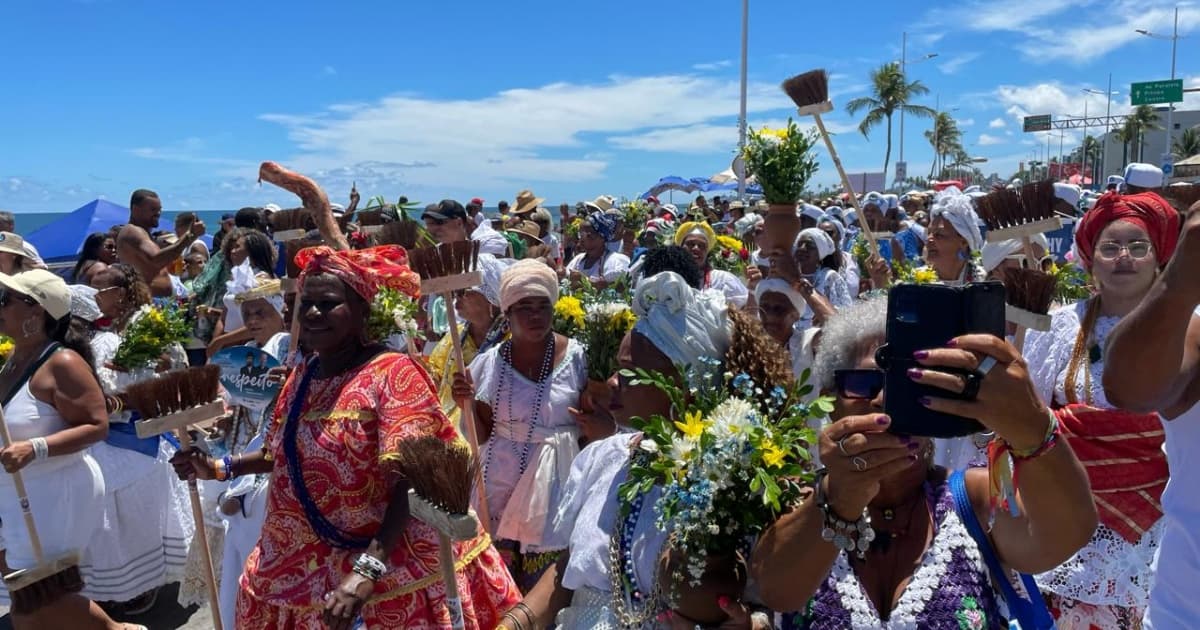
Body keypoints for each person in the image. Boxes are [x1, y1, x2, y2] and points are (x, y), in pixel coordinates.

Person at [171, 244, 520, 628]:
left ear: (360, 312)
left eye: (329, 303)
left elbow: (418, 481)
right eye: (308, 303)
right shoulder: (305, 375)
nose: (314, 313)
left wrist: (367, 570)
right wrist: (218, 468)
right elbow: (283, 453)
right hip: (298, 568)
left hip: (391, 572)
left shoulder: (393, 374)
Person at [751, 298, 1098, 629]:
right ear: (829, 402)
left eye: (906, 386)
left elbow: (1064, 535)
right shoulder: (790, 499)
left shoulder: (974, 500)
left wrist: (1034, 428)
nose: (883, 400)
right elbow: (778, 593)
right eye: (864, 383)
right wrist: (839, 499)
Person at [500, 270, 791, 628]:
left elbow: (759, 595)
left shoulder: (731, 479)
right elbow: (570, 569)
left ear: (684, 387)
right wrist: (516, 621)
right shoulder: (602, 457)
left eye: (630, 372)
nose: (611, 383)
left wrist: (752, 623)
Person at [1020, 191, 1178, 627]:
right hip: (1069, 519)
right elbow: (1026, 414)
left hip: (1161, 521)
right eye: (1110, 247)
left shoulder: (1189, 326)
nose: (1123, 257)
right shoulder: (1060, 325)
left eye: (1138, 246)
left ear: (1159, 258)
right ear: (1090, 260)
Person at [0, 270, 141, 630]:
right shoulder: (12, 363)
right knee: (28, 598)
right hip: (18, 494)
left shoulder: (62, 362)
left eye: (6, 300)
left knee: (37, 597)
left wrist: (36, 448)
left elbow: (97, 425)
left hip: (56, 493)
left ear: (37, 312)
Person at [452, 260, 587, 591]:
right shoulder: (487, 363)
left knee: (552, 583)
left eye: (543, 307)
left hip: (561, 479)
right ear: (507, 314)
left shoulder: (580, 357)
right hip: (500, 480)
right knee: (502, 580)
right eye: (524, 308)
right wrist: (465, 404)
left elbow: (594, 427)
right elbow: (482, 436)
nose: (535, 316)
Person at [84, 263, 192, 612]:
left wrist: (118, 392)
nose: (96, 297)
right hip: (118, 425)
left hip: (141, 427)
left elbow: (167, 368)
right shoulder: (110, 327)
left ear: (122, 292)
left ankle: (144, 581)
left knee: (138, 508)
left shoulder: (145, 322)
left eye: (101, 291)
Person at [427, 255, 511, 434]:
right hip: (448, 426)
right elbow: (434, 374)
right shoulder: (455, 335)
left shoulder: (511, 338)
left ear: (490, 297)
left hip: (492, 428)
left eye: (464, 291)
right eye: (455, 291)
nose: (456, 296)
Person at [116, 190, 206, 298]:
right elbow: (156, 260)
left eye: (159, 209)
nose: (158, 213)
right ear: (135, 209)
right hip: (150, 303)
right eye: (153, 209)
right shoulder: (133, 231)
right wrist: (190, 235)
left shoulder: (144, 233)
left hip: (162, 301)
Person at [754, 278, 824, 378]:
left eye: (779, 309)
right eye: (764, 307)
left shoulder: (807, 342)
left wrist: (804, 288)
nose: (770, 315)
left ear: (796, 315)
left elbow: (844, 335)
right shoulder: (752, 346)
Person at [674, 221, 750, 308]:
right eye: (690, 244)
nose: (696, 248)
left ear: (707, 252)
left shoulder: (722, 279)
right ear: (680, 248)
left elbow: (746, 311)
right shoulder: (670, 278)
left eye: (702, 245)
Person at [792, 228, 852, 328]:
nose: (802, 248)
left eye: (810, 246)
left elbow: (846, 312)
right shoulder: (788, 276)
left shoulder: (829, 277)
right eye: (800, 244)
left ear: (820, 254)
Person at [563, 211, 630, 289]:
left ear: (601, 237)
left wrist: (586, 282)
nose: (581, 239)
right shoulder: (579, 259)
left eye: (585, 235)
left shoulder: (615, 261)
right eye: (580, 234)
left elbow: (621, 287)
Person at [424, 199, 510, 257]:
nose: (434, 228)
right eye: (431, 224)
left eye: (440, 222)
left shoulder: (484, 251)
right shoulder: (432, 257)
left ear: (459, 222)